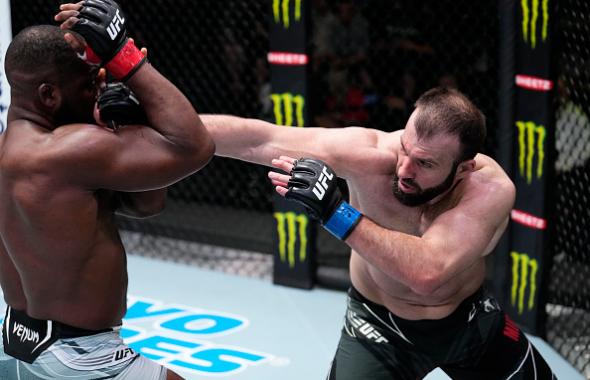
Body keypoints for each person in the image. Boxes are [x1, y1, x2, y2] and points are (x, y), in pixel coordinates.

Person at [201, 87, 557, 379]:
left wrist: (336, 214)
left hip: (467, 320)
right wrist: (160, 121)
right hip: (378, 324)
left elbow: (428, 272)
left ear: (464, 168)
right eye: (405, 148)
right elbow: (258, 140)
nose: (404, 169)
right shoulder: (369, 155)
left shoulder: (488, 190)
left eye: (425, 163)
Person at [0, 0, 213, 378]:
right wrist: (125, 58)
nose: (98, 91)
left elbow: (147, 203)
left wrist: (121, 122)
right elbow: (195, 147)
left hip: (19, 338)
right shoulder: (66, 151)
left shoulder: (19, 149)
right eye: (88, 85)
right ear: (49, 96)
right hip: (80, 355)